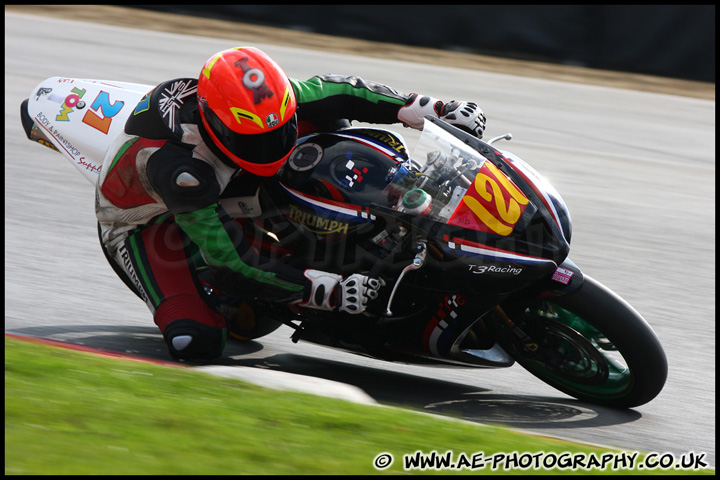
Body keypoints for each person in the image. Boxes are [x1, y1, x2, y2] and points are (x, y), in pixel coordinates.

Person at [95, 46, 486, 361]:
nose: (274, 145)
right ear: (214, 123)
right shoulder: (182, 168)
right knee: (195, 342)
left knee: (331, 124)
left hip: (234, 179)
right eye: (256, 139)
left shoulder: (260, 102)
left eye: (280, 128)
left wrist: (431, 110)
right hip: (150, 222)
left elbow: (342, 92)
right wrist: (323, 290)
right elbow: (232, 262)